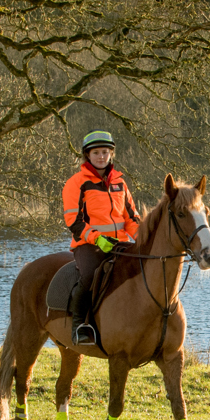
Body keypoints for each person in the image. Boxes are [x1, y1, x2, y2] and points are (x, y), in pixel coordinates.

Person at [61, 130, 139, 346]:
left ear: (111, 154)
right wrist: (97, 239)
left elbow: (131, 217)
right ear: (88, 155)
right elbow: (73, 221)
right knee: (89, 276)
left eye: (105, 152)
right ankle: (80, 326)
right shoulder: (76, 183)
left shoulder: (120, 183)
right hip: (89, 245)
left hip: (120, 243)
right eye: (96, 152)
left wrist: (141, 238)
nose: (101, 156)